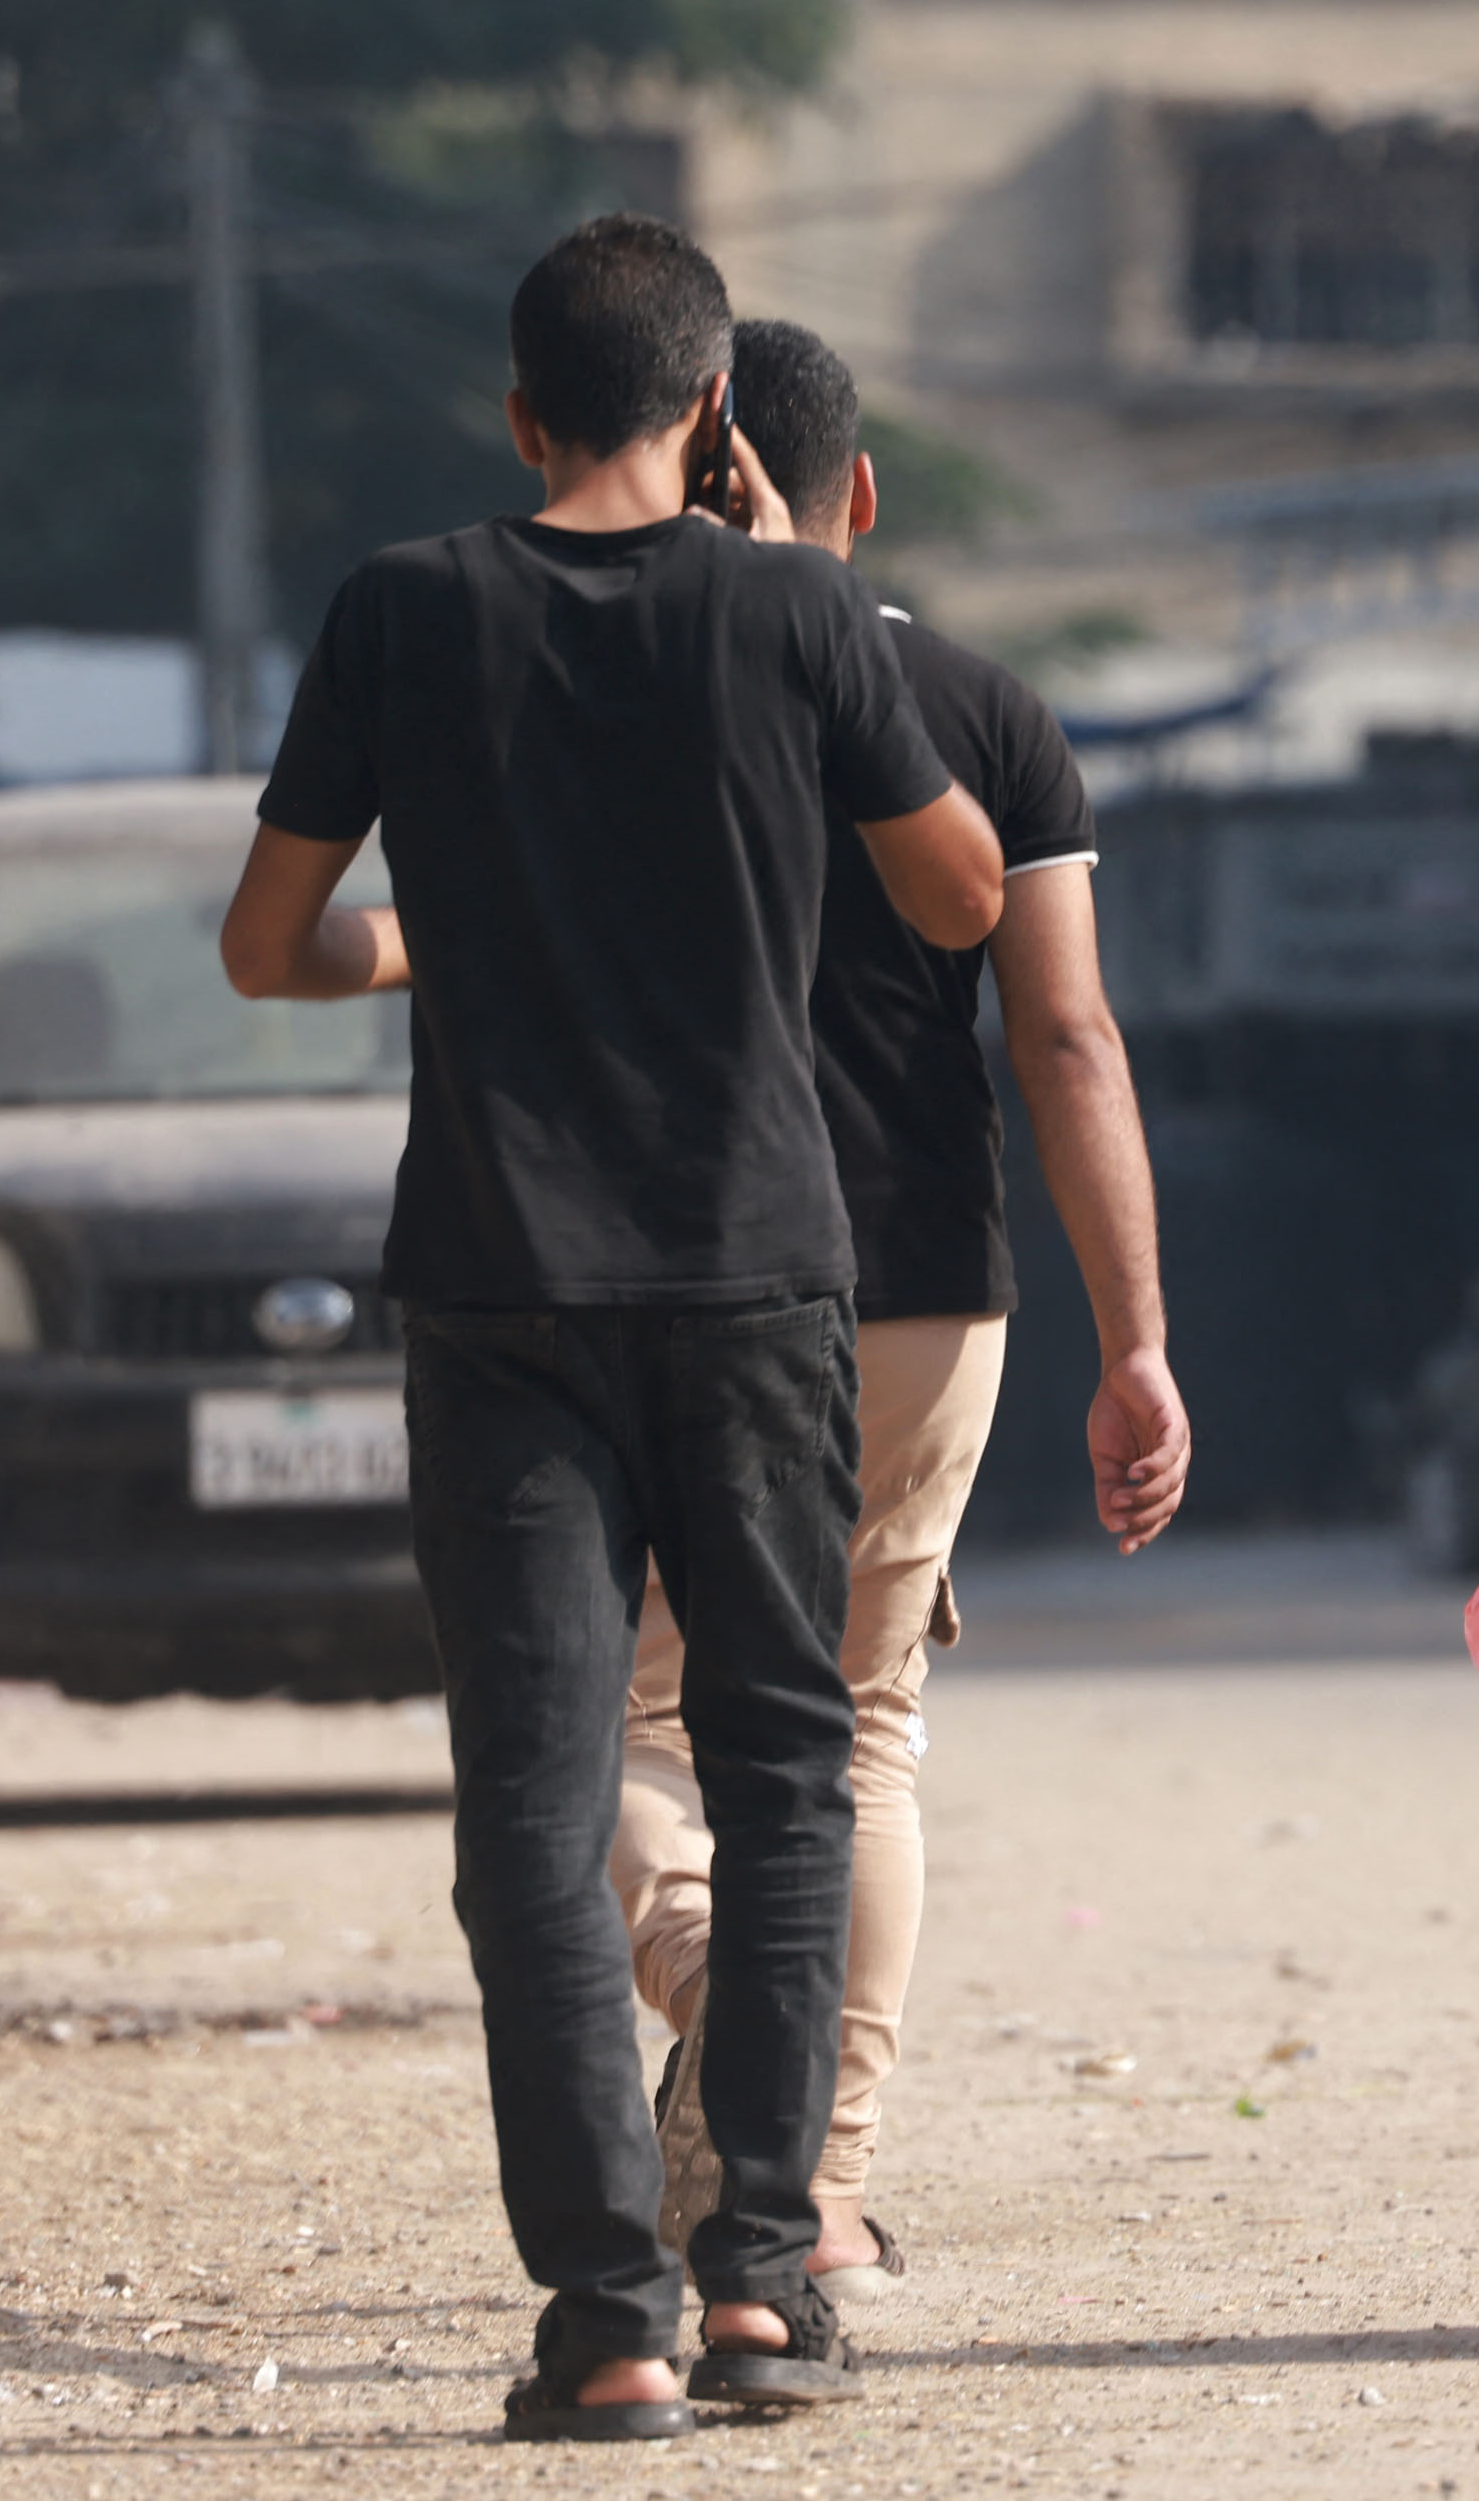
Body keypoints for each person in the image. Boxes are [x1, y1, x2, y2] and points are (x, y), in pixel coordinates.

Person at [218, 217, 1004, 2439]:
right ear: (719, 421)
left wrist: (442, 943)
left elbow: (269, 945)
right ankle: (763, 2271)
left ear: (515, 410)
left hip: (500, 1292)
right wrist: (792, 609)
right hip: (761, 1275)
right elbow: (955, 895)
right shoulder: (789, 613)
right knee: (780, 1769)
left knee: (541, 1810)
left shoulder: (403, 607)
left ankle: (609, 2314)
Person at [609, 320, 1193, 2299]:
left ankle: (713, 1987)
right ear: (858, 493)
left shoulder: (608, 688)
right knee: (859, 1733)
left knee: (613, 1716)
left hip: (660, 1274)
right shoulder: (979, 703)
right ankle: (820, 2187)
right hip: (927, 1285)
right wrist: (1134, 1342)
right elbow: (1067, 1031)